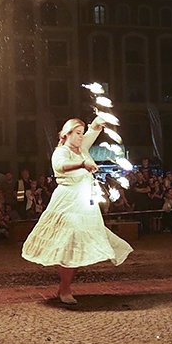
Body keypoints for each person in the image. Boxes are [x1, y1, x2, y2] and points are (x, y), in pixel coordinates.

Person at [21, 116, 133, 304]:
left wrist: (98, 123)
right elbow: (60, 166)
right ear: (67, 134)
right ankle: (65, 289)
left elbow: (93, 131)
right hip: (67, 202)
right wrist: (82, 164)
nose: (81, 137)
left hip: (84, 203)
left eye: (82, 133)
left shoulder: (81, 148)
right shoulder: (61, 151)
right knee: (68, 243)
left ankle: (64, 288)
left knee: (78, 245)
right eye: (78, 133)